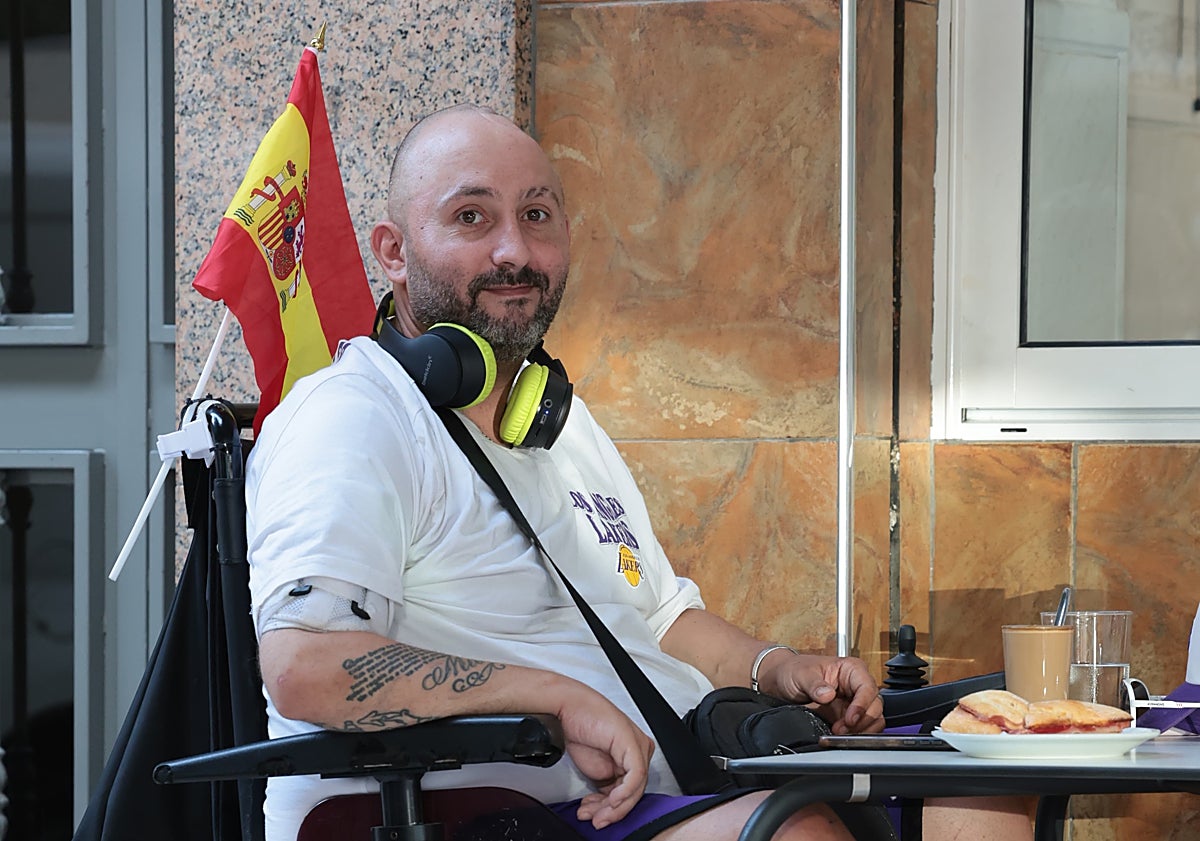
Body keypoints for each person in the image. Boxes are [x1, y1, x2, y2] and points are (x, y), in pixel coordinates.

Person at [246, 104, 1032, 841]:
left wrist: (780, 669)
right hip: (487, 813)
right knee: (791, 830)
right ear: (393, 251)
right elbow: (305, 667)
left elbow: (661, 620)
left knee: (986, 783)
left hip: (669, 787)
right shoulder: (354, 416)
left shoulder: (560, 422)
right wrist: (553, 696)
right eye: (472, 217)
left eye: (537, 215)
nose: (514, 250)